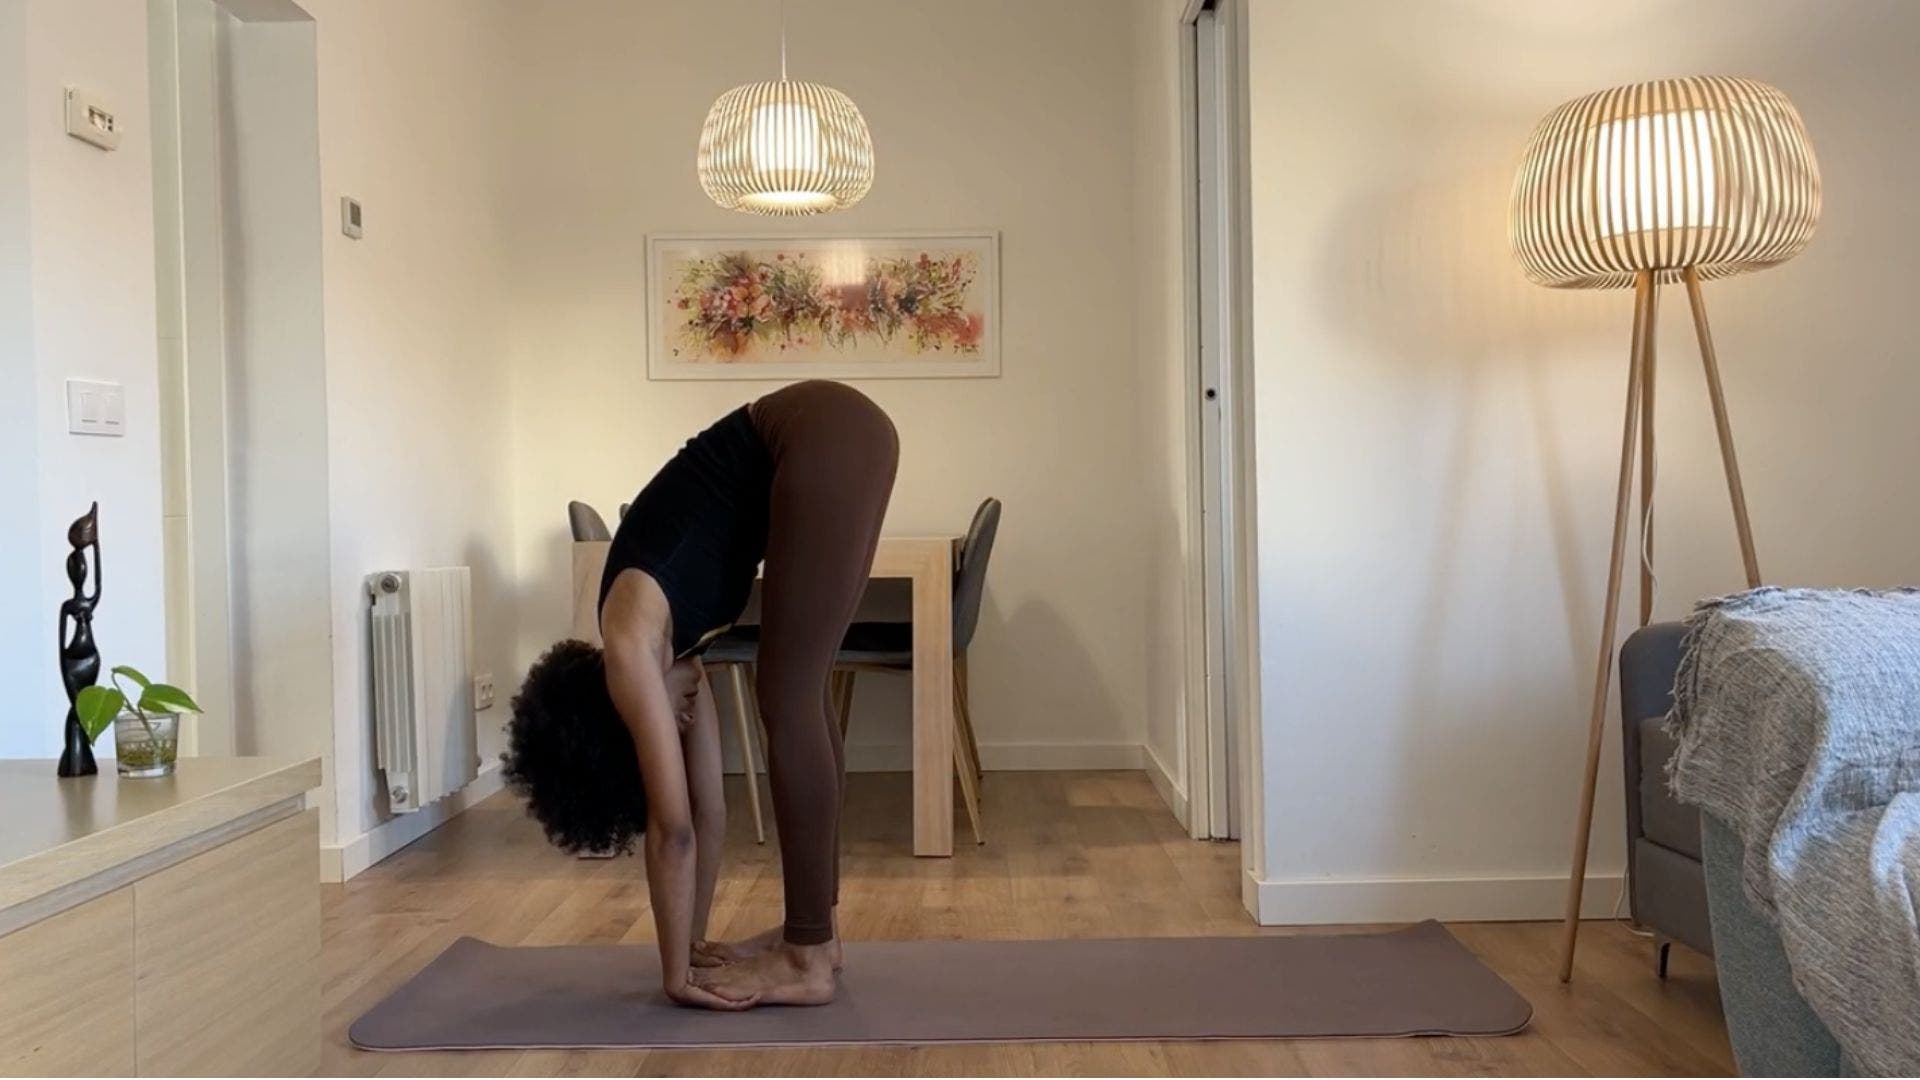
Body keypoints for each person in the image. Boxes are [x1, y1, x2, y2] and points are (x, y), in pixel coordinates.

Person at [504, 379, 898, 1010]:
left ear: (615, 715)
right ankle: (816, 933)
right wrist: (690, 943)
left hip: (822, 433)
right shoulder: (675, 652)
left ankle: (808, 957)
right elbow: (707, 810)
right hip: (838, 432)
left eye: (665, 719)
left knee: (787, 691)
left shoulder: (631, 645)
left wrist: (672, 978)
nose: (680, 720)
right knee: (801, 688)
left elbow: (673, 829)